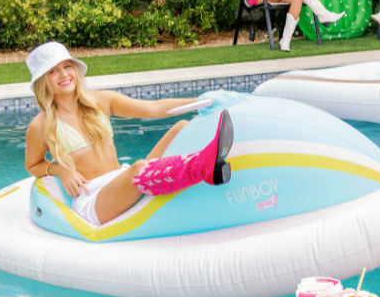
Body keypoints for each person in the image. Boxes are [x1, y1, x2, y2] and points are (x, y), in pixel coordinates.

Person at [24, 41, 233, 227]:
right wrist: (61, 170)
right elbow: (33, 165)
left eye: (67, 66)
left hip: (120, 178)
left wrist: (202, 101)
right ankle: (200, 167)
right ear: (44, 81)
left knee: (180, 127)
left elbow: (153, 108)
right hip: (94, 197)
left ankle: (213, 151)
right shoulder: (40, 125)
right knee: (138, 168)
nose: (64, 75)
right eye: (53, 71)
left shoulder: (100, 101)